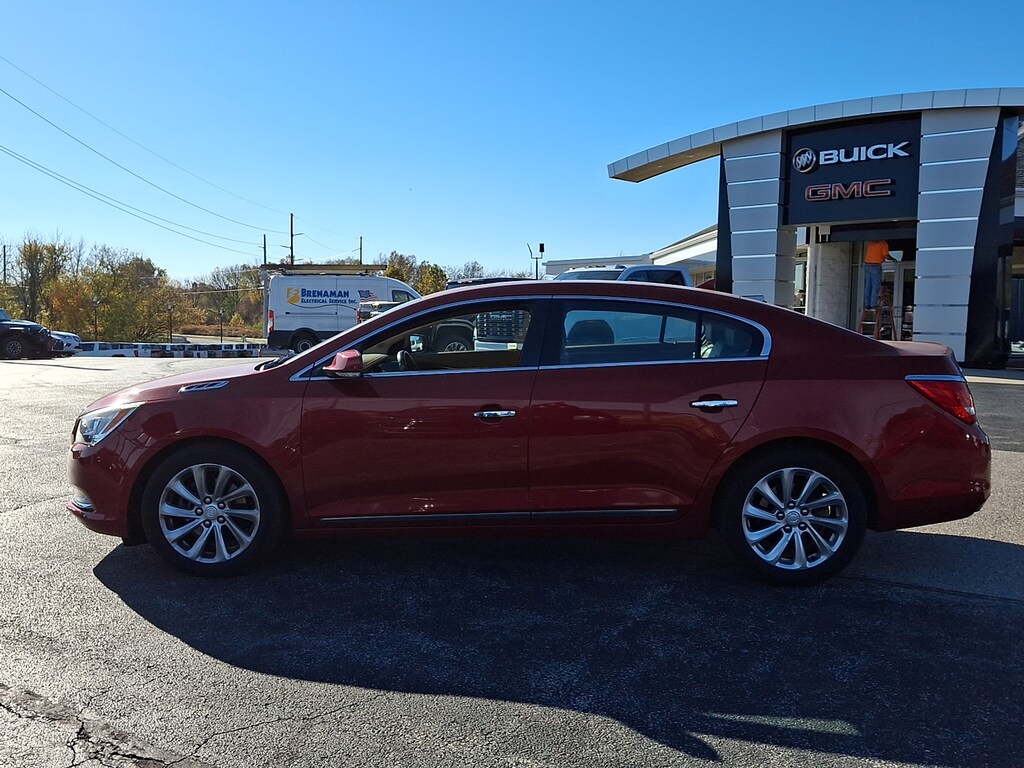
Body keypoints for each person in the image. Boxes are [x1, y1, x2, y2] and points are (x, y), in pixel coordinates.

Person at [863, 240, 889, 309]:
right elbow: (886, 256)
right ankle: (873, 304)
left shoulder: (870, 242)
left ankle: (867, 304)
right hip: (875, 265)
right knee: (875, 285)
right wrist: (895, 259)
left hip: (867, 264)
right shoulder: (883, 243)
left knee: (868, 285)